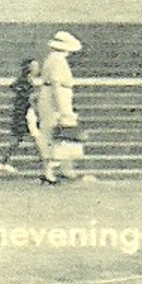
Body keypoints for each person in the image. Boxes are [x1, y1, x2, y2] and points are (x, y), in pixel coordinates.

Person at [38, 31, 92, 184]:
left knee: (57, 135)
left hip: (55, 96)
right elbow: (56, 83)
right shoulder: (57, 60)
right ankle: (49, 171)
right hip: (56, 98)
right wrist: (62, 110)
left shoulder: (54, 58)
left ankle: (64, 169)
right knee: (57, 134)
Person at [0, 57, 43, 174]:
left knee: (30, 137)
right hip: (24, 113)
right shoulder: (23, 82)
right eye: (34, 66)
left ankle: (4, 162)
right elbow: (25, 98)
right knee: (32, 136)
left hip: (27, 113)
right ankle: (45, 161)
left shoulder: (29, 81)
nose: (37, 68)